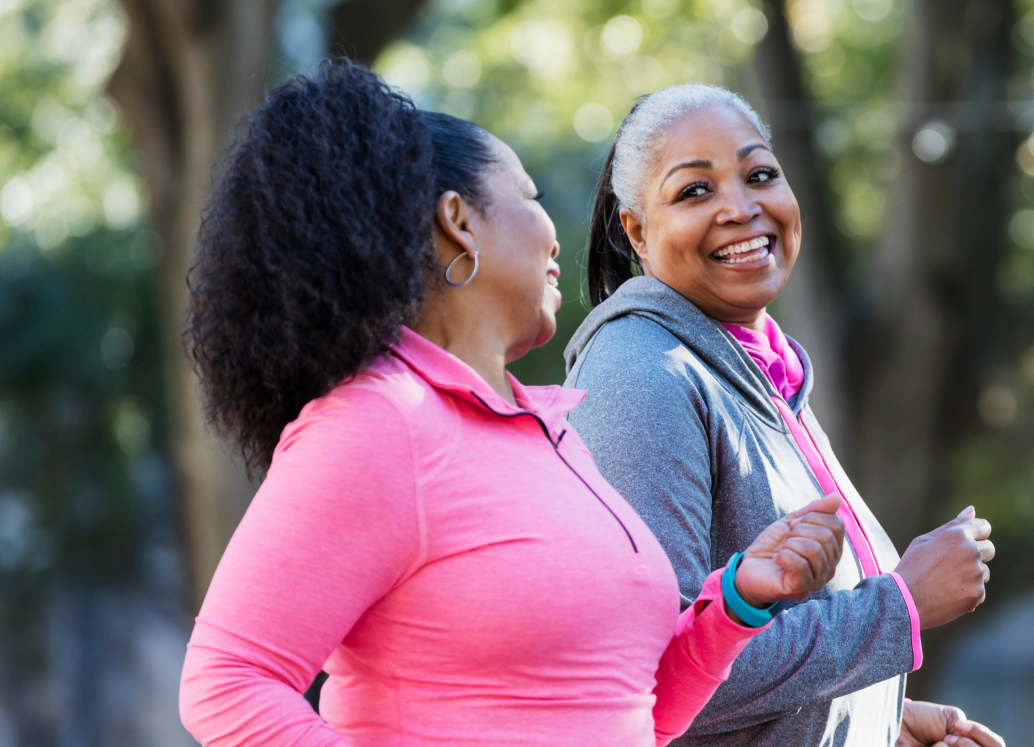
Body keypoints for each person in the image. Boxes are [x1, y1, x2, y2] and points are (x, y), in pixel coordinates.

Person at [176, 62, 850, 747]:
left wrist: (737, 603)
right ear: (458, 222)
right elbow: (227, 680)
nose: (556, 235)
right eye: (528, 196)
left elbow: (629, 709)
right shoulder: (380, 422)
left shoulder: (550, 436)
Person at [564, 84, 1005, 747]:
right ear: (636, 230)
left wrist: (879, 722)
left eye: (760, 174)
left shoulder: (762, 375)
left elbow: (772, 670)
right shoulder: (642, 373)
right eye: (694, 191)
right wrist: (901, 603)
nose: (741, 208)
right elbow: (652, 677)